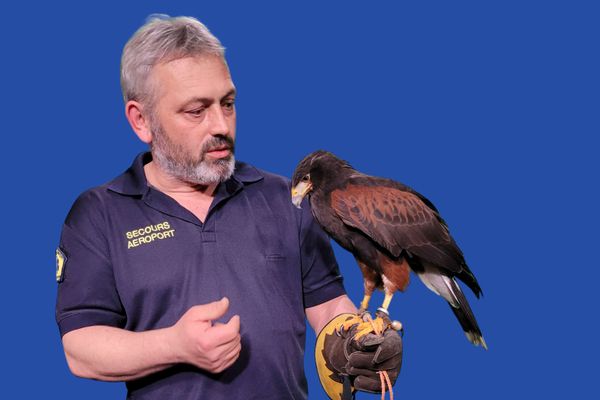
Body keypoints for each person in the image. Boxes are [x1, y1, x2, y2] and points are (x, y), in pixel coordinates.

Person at [55, 15, 401, 399]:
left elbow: (328, 303)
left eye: (228, 103)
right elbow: (80, 349)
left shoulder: (286, 199)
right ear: (142, 121)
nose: (221, 124)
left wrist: (353, 344)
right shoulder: (99, 213)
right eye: (196, 110)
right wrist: (174, 346)